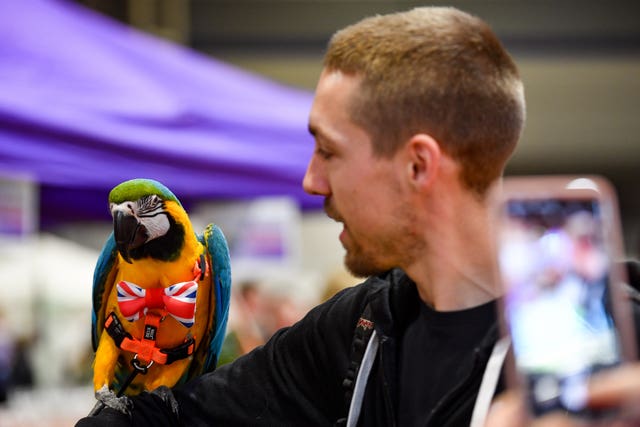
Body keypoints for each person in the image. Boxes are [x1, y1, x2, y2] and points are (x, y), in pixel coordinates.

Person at [75, 6, 556, 426]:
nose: (311, 181)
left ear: (418, 165)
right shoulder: (358, 325)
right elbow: (185, 410)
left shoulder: (600, 343)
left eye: (328, 151)